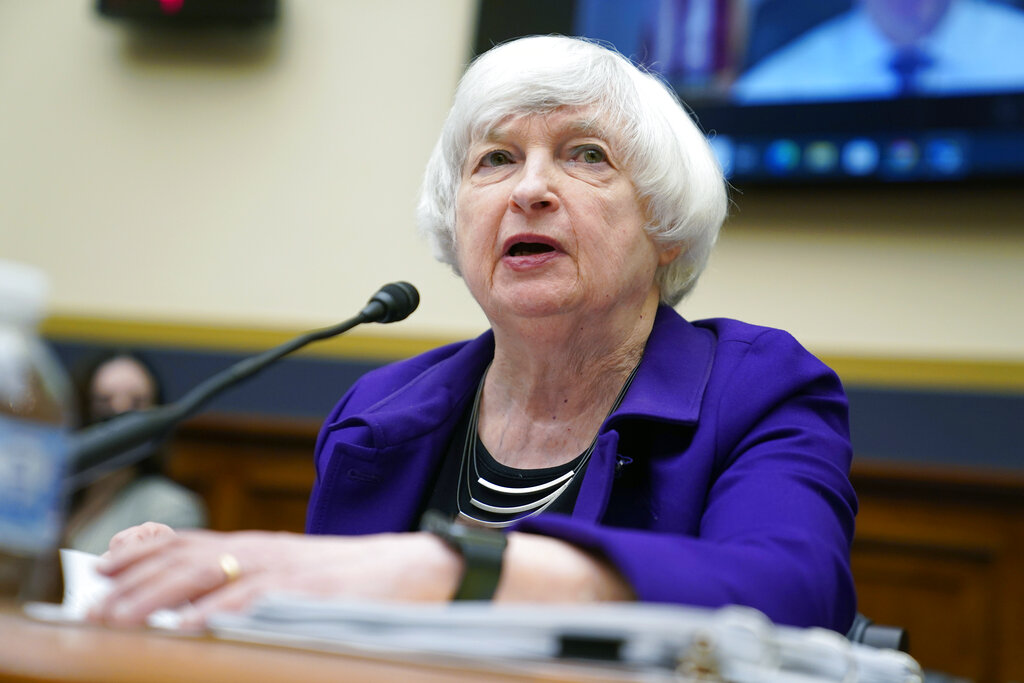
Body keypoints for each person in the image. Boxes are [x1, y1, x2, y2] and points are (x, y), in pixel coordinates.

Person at [90, 35, 857, 634]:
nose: (530, 188)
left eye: (585, 154)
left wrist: (455, 571)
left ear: (665, 225)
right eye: (496, 159)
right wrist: (201, 584)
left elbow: (791, 593)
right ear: (456, 223)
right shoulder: (379, 411)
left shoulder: (759, 390)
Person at [65, 350, 206, 556]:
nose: (119, 412)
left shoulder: (168, 509)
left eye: (137, 403)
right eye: (103, 401)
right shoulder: (54, 498)